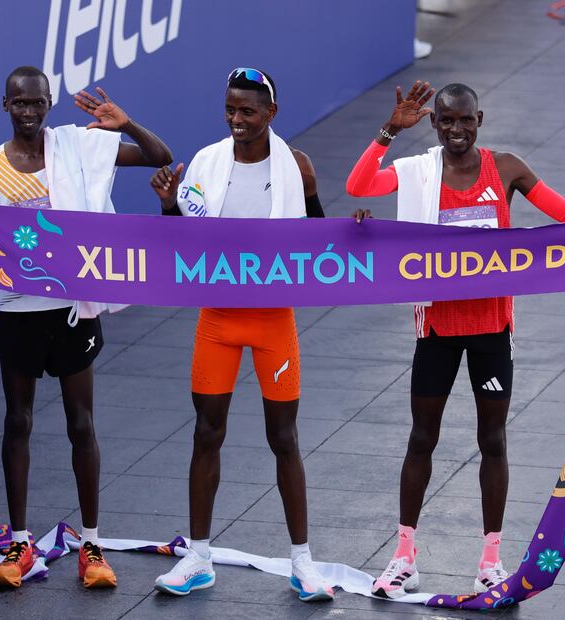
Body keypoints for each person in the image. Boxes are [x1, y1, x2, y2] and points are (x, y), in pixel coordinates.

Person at [346, 81, 565, 598]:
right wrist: (388, 131)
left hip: (492, 329)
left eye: (464, 120)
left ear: (480, 120)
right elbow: (360, 186)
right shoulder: (421, 170)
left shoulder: (507, 168)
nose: (455, 130)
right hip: (437, 329)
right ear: (433, 125)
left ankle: (490, 561)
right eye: (445, 121)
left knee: (492, 440)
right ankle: (404, 556)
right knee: (421, 438)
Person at [0, 66, 172, 589]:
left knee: (81, 425)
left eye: (38, 103)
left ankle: (91, 546)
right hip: (19, 310)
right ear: (4, 105)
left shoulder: (78, 147)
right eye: (19, 104)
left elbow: (159, 157)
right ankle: (20, 546)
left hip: (72, 309)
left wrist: (127, 123)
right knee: (19, 424)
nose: (29, 112)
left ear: (48, 104)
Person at [148, 67, 333, 602]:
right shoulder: (206, 161)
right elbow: (178, 244)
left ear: (271, 113)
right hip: (219, 320)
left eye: (247, 111)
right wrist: (166, 203)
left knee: (284, 438)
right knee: (207, 432)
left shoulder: (295, 166)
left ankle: (304, 564)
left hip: (274, 320)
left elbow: (320, 242)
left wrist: (328, 207)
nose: (236, 119)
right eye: (229, 109)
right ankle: (197, 557)